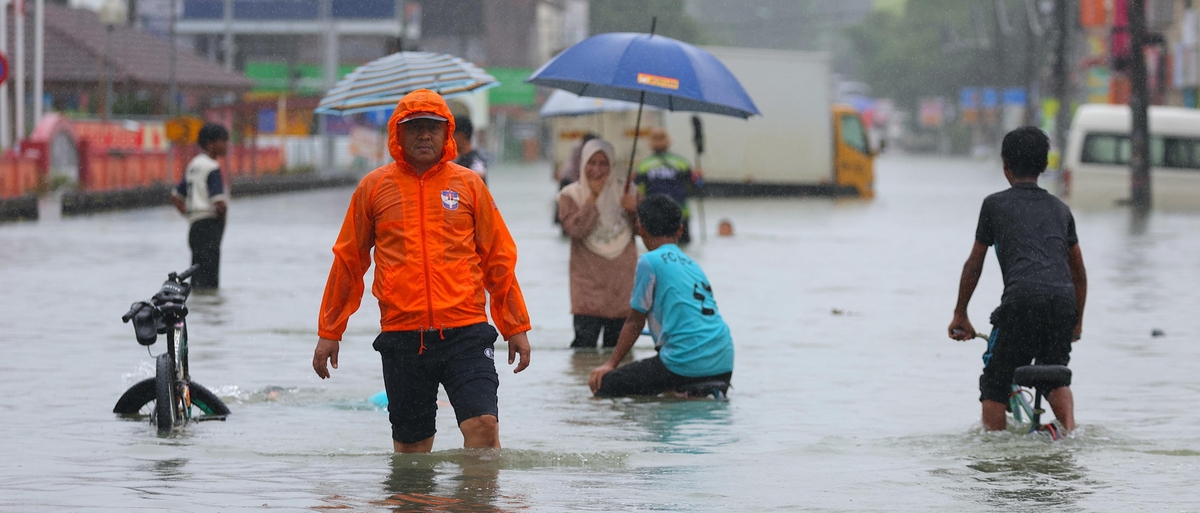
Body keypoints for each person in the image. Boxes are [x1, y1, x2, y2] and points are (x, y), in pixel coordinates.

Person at [312, 89, 532, 453]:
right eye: (415, 128)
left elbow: (499, 258)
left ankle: (475, 505)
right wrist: (330, 330)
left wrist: (515, 326)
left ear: (448, 134)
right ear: (397, 134)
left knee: (483, 429)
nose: (425, 135)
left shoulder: (469, 185)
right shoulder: (373, 187)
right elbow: (349, 262)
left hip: (466, 332)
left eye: (434, 127)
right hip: (402, 337)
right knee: (412, 455)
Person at [948, 126, 1087, 434]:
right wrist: (1076, 322)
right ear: (1045, 165)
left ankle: (995, 449)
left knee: (995, 382)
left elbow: (975, 263)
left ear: (1005, 166)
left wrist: (961, 313)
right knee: (1054, 374)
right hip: (1063, 303)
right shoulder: (1061, 210)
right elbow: (1078, 272)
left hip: (1021, 301)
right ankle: (1067, 434)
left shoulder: (994, 205)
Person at [588, 195, 734, 397]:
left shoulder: (649, 262)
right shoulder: (693, 264)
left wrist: (610, 364)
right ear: (680, 230)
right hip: (723, 361)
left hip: (684, 364)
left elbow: (635, 322)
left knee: (605, 385)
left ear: (640, 228)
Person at [557, 138, 639, 349]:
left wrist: (634, 211)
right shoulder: (570, 195)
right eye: (591, 163)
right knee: (584, 349)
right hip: (588, 289)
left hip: (622, 287)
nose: (597, 170)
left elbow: (645, 232)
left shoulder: (629, 192)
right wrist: (592, 197)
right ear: (583, 163)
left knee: (618, 352)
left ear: (612, 166)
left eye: (604, 163)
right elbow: (576, 230)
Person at [171, 123, 229, 290]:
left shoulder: (194, 165)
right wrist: (222, 223)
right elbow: (220, 204)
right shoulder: (212, 167)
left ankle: (198, 312)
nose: (226, 145)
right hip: (209, 226)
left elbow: (175, 196)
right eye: (223, 141)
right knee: (210, 281)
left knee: (197, 275)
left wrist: (189, 215)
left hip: (195, 228)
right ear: (211, 144)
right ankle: (209, 313)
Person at [635, 127, 701, 245]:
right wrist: (698, 178)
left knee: (658, 249)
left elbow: (639, 193)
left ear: (651, 144)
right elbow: (695, 186)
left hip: (655, 216)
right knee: (682, 250)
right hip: (680, 214)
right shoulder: (681, 162)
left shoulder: (643, 166)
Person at [453, 117, 488, 185]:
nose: (449, 139)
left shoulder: (474, 162)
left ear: (461, 136)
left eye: (452, 134)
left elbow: (479, 176)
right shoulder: (459, 159)